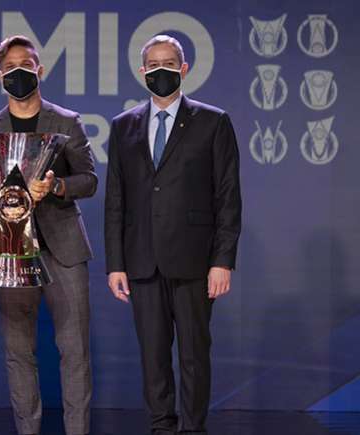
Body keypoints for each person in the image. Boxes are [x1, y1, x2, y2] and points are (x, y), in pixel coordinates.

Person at [104, 35, 242, 434]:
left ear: (183, 70)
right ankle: (161, 426)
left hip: (195, 261)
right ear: (142, 71)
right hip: (142, 260)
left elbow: (228, 197)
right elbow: (117, 200)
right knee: (153, 356)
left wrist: (222, 260)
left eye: (169, 63)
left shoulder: (213, 122)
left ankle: (193, 428)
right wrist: (116, 264)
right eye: (153, 64)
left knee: (195, 356)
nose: (160, 70)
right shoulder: (123, 126)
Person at [0, 35, 97, 435]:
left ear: (40, 70)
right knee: (18, 352)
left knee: (74, 351)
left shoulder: (67, 122)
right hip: (11, 254)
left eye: (27, 64)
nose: (19, 72)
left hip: (64, 251)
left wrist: (58, 185)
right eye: (10, 68)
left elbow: (89, 180)